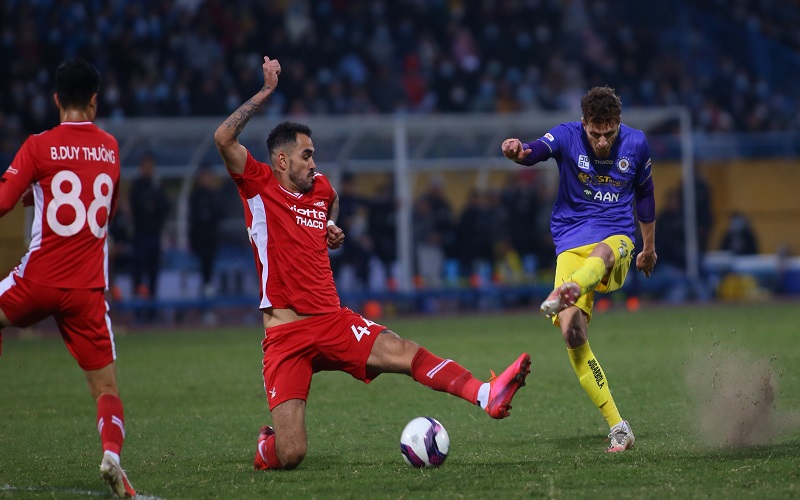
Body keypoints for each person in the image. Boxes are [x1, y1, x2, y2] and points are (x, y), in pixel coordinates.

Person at [214, 55, 531, 471]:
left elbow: (331, 200)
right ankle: (266, 448)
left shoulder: (320, 188)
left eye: (314, 155)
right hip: (285, 335)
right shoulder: (257, 184)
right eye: (306, 155)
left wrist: (330, 224)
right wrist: (266, 91)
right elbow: (223, 137)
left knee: (405, 351)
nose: (314, 163)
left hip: (331, 320)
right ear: (282, 161)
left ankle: (485, 394)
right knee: (291, 454)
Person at [0, 58, 136, 497]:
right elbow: (104, 211)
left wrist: (31, 191)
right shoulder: (111, 148)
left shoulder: (39, 146)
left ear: (56, 99)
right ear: (94, 102)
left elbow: (3, 202)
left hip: (38, 280)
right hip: (87, 290)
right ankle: (112, 456)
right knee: (106, 387)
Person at [501, 86, 657, 453]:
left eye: (609, 133)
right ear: (584, 123)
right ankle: (619, 426)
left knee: (603, 254)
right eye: (595, 133)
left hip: (617, 237)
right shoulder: (567, 135)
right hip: (570, 242)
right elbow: (534, 151)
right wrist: (517, 151)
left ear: (618, 123)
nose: (602, 142)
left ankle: (571, 288)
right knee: (572, 333)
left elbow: (646, 194)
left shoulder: (636, 143)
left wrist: (648, 248)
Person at [129, 151, 170, 322]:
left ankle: (152, 313)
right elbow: (138, 207)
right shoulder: (137, 186)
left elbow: (165, 206)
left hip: (154, 236)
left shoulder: (157, 185)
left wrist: (152, 208)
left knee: (153, 274)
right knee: (138, 273)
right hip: (140, 236)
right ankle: (138, 312)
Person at [189, 163, 224, 297]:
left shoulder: (215, 195)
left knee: (210, 262)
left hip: (212, 238)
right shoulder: (195, 196)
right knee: (202, 262)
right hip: (199, 238)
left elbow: (220, 213)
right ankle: (204, 286)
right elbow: (196, 216)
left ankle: (207, 285)